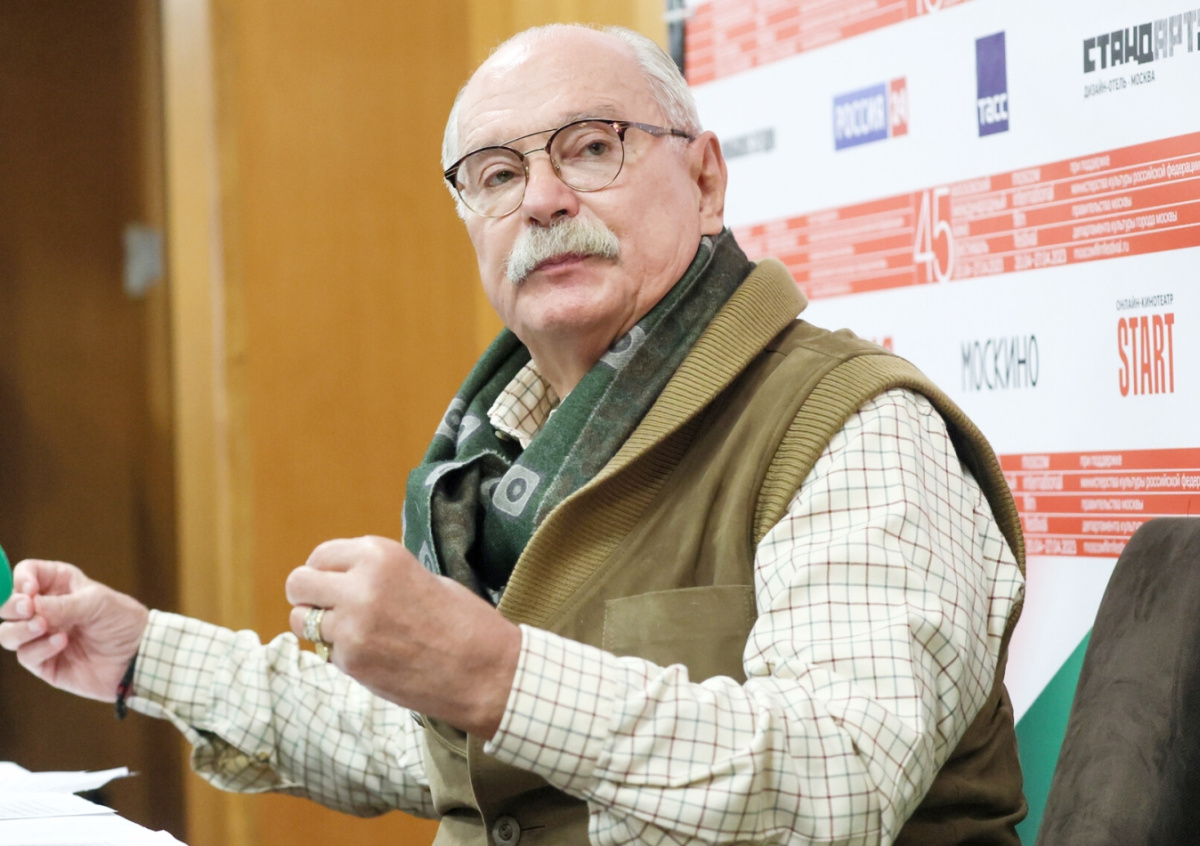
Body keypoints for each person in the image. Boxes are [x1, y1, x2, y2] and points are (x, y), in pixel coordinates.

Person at [0, 23, 1026, 846]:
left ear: (707, 180)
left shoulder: (852, 424)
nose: (540, 199)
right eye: (495, 174)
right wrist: (144, 653)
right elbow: (428, 746)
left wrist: (497, 673)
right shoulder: (504, 455)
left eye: (592, 147)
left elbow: (842, 780)